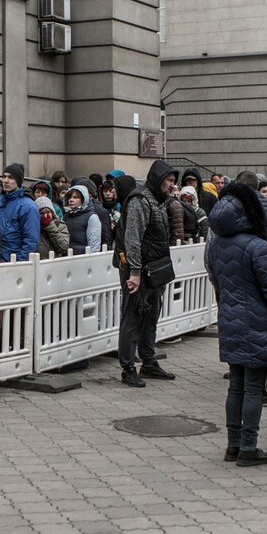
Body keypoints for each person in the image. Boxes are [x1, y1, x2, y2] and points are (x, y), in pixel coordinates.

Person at [205, 182, 267, 467]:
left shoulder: (216, 245)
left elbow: (216, 281)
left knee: (236, 386)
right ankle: (249, 447)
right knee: (254, 387)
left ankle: (233, 444)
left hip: (229, 320)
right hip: (257, 321)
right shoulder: (256, 246)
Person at [114, 162, 178, 386]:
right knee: (132, 317)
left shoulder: (158, 200)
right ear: (158, 179)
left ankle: (148, 361)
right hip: (139, 271)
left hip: (154, 269)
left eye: (173, 181)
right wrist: (134, 272)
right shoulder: (140, 200)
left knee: (150, 316)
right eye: (168, 180)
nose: (172, 185)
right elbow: (132, 239)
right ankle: (128, 367)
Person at [0, 164, 40, 263]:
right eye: (4, 177)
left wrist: (19, 265)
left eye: (10, 177)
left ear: (18, 181)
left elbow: (31, 242)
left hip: (14, 263)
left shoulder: (28, 206)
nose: (5, 180)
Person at [63, 184, 103, 255]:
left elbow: (94, 245)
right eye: (69, 197)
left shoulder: (92, 217)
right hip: (67, 258)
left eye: (75, 197)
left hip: (83, 259)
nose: (71, 200)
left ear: (83, 199)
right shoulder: (66, 217)